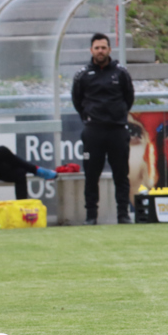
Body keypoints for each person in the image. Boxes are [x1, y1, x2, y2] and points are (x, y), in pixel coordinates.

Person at [71, 32, 135, 225]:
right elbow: (77, 101)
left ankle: (123, 214)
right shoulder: (82, 75)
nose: (100, 51)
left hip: (117, 130)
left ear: (109, 49)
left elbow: (129, 98)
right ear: (91, 50)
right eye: (97, 48)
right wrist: (90, 117)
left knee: (121, 174)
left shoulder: (121, 73)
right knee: (91, 175)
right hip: (93, 132)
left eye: (103, 48)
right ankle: (91, 216)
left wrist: (118, 115)